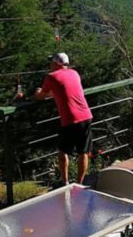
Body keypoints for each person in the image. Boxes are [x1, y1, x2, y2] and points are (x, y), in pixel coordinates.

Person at [35, 53, 93, 185]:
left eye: (51, 62)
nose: (50, 65)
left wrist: (38, 92)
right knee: (83, 152)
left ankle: (65, 182)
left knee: (62, 152)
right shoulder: (74, 73)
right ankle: (79, 183)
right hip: (86, 115)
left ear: (56, 64)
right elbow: (65, 90)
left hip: (70, 118)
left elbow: (41, 96)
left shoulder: (51, 76)